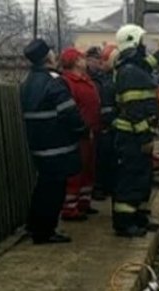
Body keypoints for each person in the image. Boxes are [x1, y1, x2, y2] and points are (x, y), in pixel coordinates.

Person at [20, 39, 85, 244]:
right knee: (54, 191)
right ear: (48, 57)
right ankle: (45, 232)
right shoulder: (53, 81)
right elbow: (69, 112)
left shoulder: (27, 82)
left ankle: (34, 226)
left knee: (43, 186)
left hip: (39, 146)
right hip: (57, 146)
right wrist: (81, 130)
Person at [112, 24, 159, 237]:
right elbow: (134, 110)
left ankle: (139, 217)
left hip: (136, 136)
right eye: (142, 43)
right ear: (134, 44)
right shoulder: (129, 73)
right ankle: (124, 223)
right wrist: (145, 136)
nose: (144, 47)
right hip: (132, 138)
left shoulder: (132, 68)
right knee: (130, 179)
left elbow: (146, 65)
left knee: (141, 178)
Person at [60, 47, 101, 221]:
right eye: (82, 58)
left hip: (91, 132)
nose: (85, 60)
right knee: (76, 170)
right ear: (75, 62)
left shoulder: (85, 80)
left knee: (88, 169)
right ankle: (70, 208)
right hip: (79, 134)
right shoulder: (68, 82)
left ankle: (84, 202)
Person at [93, 44, 119, 200]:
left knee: (110, 159)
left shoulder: (109, 79)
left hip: (110, 126)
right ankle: (100, 187)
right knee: (102, 159)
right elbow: (105, 106)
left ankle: (106, 186)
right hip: (105, 127)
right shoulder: (103, 81)